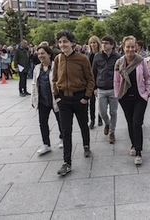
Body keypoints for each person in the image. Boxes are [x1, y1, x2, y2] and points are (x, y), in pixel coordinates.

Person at [52, 30, 95, 176]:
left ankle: (86, 145)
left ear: (72, 43)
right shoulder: (58, 59)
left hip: (79, 98)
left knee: (84, 124)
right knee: (66, 131)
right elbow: (54, 79)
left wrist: (86, 97)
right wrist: (56, 96)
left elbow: (90, 79)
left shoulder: (82, 58)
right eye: (60, 42)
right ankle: (67, 162)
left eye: (65, 41)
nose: (62, 44)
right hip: (63, 100)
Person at [114, 35, 150, 165]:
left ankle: (139, 151)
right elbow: (116, 81)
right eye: (127, 46)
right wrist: (118, 95)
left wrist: (147, 93)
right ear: (123, 47)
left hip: (139, 98)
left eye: (132, 46)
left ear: (136, 47)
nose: (130, 49)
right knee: (130, 123)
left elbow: (147, 77)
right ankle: (133, 145)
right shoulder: (119, 63)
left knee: (137, 123)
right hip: (125, 98)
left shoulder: (141, 61)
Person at [31, 45, 63, 155]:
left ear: (49, 54)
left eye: (43, 53)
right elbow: (34, 84)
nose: (40, 56)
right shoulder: (36, 68)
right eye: (39, 54)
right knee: (42, 122)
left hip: (55, 99)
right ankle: (46, 144)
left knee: (61, 121)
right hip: (42, 100)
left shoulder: (56, 66)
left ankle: (62, 137)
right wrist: (33, 99)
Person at [92, 36, 121, 144]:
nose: (104, 45)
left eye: (107, 43)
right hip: (101, 89)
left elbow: (121, 73)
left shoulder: (118, 57)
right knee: (102, 111)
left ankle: (112, 132)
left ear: (112, 45)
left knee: (113, 112)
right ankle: (107, 124)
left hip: (114, 89)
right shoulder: (97, 56)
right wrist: (94, 87)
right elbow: (93, 72)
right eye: (103, 43)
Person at [88, 35, 103, 129]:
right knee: (92, 102)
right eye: (91, 43)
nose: (93, 44)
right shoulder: (89, 55)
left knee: (101, 102)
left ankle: (100, 117)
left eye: (94, 42)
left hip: (100, 81)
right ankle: (92, 119)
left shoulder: (101, 55)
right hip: (90, 82)